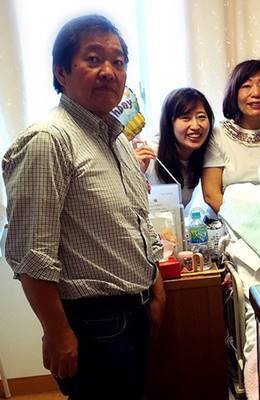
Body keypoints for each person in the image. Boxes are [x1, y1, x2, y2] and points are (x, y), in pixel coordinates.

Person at [2, 15, 165, 399]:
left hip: (135, 313)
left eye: (118, 61)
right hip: (95, 324)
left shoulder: (117, 138)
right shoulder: (48, 140)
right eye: (93, 59)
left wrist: (156, 289)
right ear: (61, 71)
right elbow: (31, 253)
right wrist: (57, 332)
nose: (109, 71)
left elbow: (136, 223)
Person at [202, 60, 260, 213]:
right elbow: (211, 195)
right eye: (246, 86)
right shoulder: (216, 135)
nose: (256, 93)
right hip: (228, 221)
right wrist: (247, 223)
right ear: (234, 93)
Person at [134, 87, 214, 207]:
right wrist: (135, 171)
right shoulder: (149, 155)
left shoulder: (204, 155)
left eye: (201, 117)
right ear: (169, 123)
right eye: (186, 118)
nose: (195, 126)